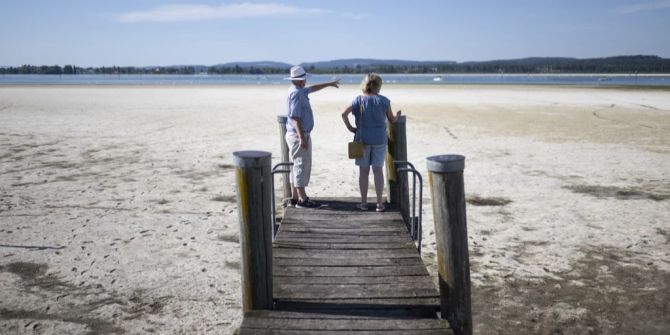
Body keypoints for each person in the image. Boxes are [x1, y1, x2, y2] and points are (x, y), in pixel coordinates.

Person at [342, 74, 401, 212]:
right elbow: (392, 119)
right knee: (378, 171)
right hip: (379, 140)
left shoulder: (358, 100)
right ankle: (379, 204)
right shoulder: (384, 101)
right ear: (378, 86)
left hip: (362, 139)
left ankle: (363, 203)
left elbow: (343, 114)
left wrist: (350, 128)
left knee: (363, 172)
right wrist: (398, 116)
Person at [285, 65, 340, 208]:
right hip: (298, 135)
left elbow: (312, 88)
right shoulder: (296, 93)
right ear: (301, 80)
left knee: (295, 165)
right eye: (304, 79)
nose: (305, 81)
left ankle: (295, 198)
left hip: (298, 134)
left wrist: (329, 84)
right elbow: (295, 118)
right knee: (300, 165)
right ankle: (303, 200)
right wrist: (302, 137)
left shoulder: (298, 90)